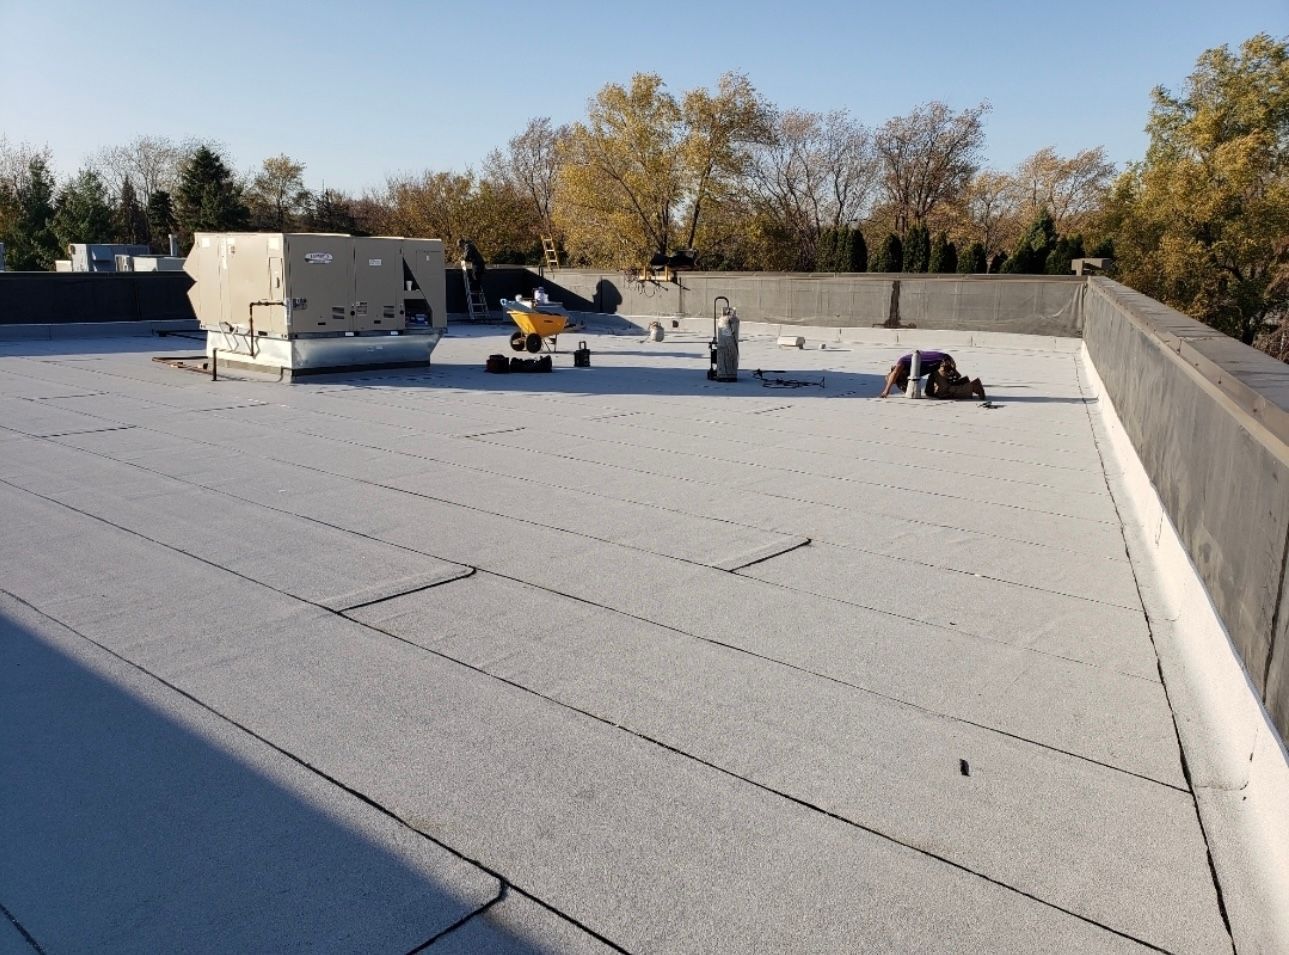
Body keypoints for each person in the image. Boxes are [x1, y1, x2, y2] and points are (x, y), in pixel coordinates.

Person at [878, 349, 951, 398]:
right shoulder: (912, 369)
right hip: (939, 365)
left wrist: (886, 391)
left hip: (945, 361)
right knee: (929, 392)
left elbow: (895, 373)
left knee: (944, 393)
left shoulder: (902, 361)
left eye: (896, 379)